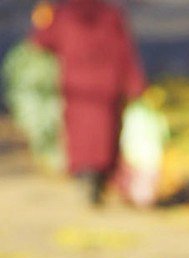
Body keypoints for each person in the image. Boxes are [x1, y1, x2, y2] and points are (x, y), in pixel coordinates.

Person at [29, 0, 146, 203]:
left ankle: (85, 174)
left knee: (80, 133)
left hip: (77, 86)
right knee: (105, 133)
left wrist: (41, 19)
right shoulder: (111, 14)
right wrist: (135, 84)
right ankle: (99, 177)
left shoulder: (63, 14)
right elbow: (125, 51)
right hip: (107, 85)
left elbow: (41, 42)